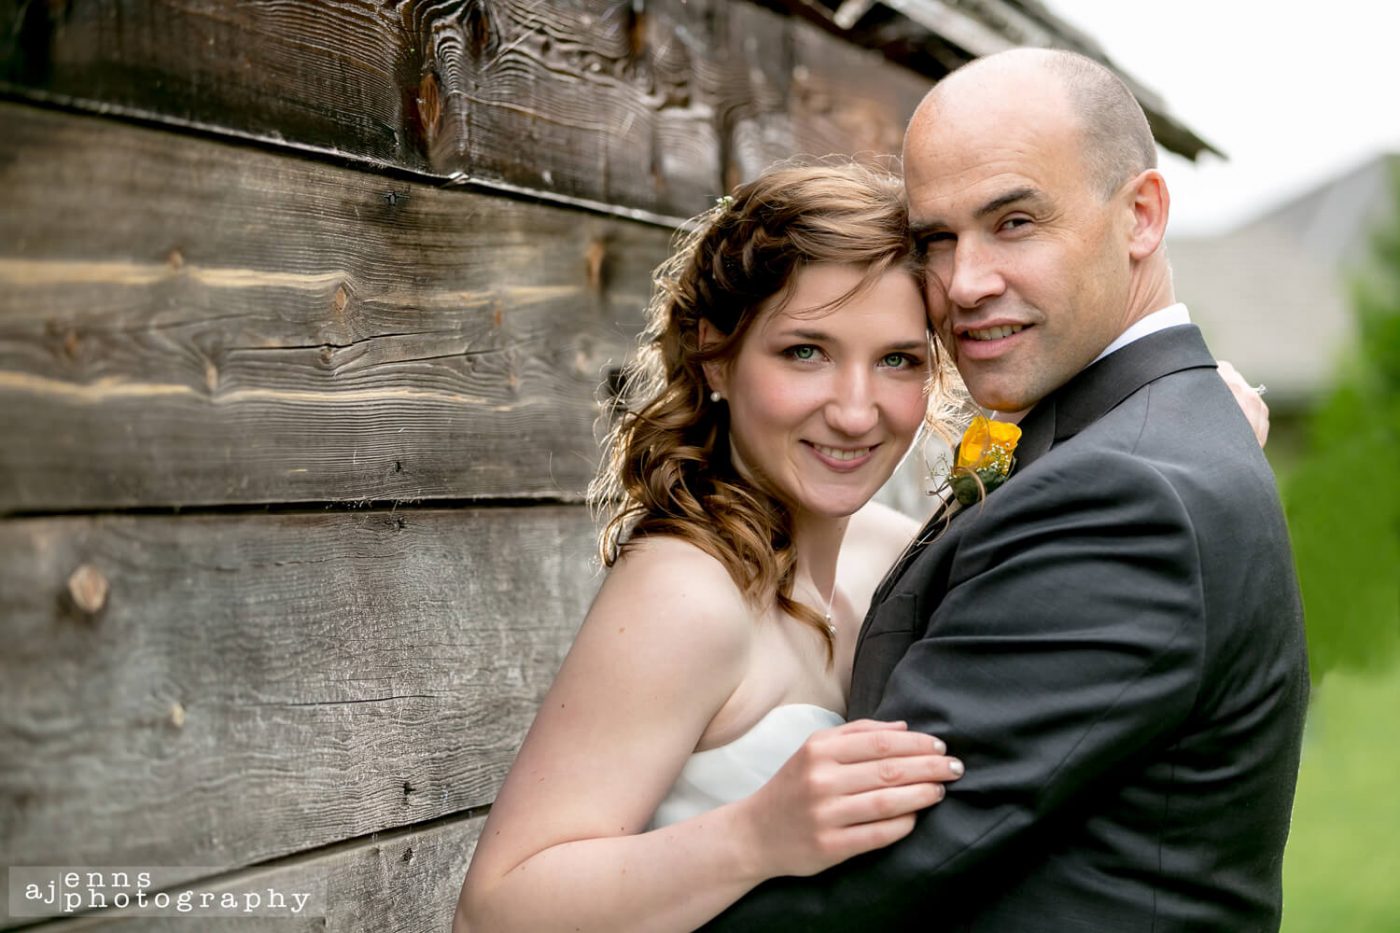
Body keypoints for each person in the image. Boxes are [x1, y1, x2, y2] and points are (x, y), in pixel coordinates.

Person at [702, 49, 1308, 932]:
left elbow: (863, 883)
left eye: (1014, 221)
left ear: (1141, 215)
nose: (963, 284)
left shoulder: (1127, 490)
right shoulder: (1144, 434)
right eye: (935, 239)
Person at [452, 161, 968, 933]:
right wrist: (756, 835)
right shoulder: (688, 593)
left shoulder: (893, 553)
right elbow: (494, 912)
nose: (857, 412)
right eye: (806, 351)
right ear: (716, 354)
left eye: (897, 359)